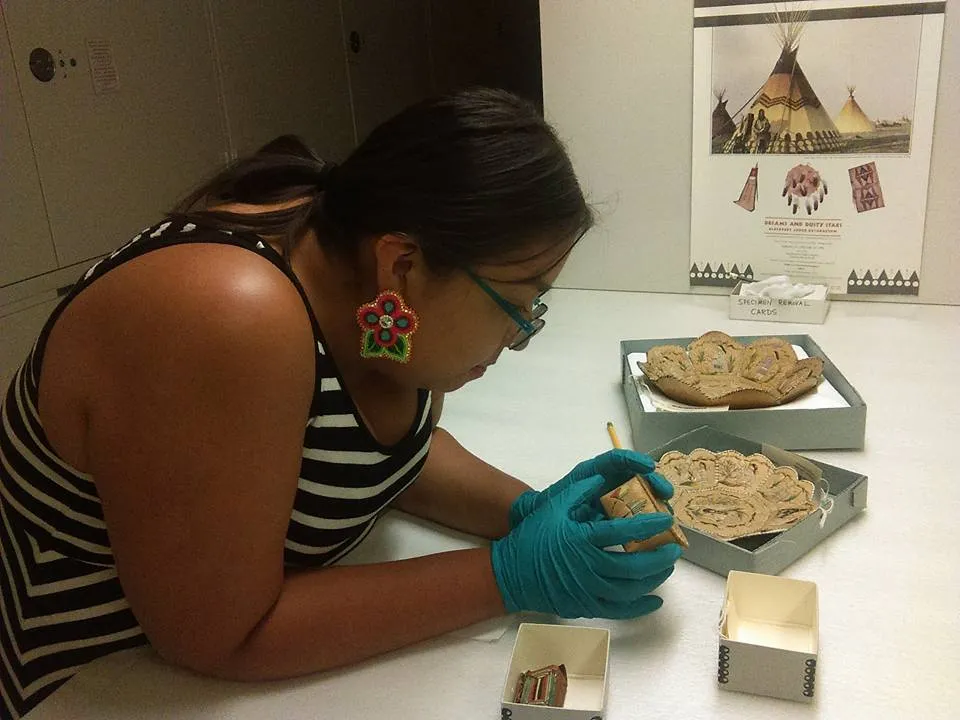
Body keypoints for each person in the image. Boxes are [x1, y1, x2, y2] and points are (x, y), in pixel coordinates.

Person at [0, 88, 682, 719]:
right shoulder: (227, 314)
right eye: (518, 303)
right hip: (85, 680)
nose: (520, 336)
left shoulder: (371, 296)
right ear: (403, 267)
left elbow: (374, 453)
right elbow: (220, 636)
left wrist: (528, 511)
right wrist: (508, 574)